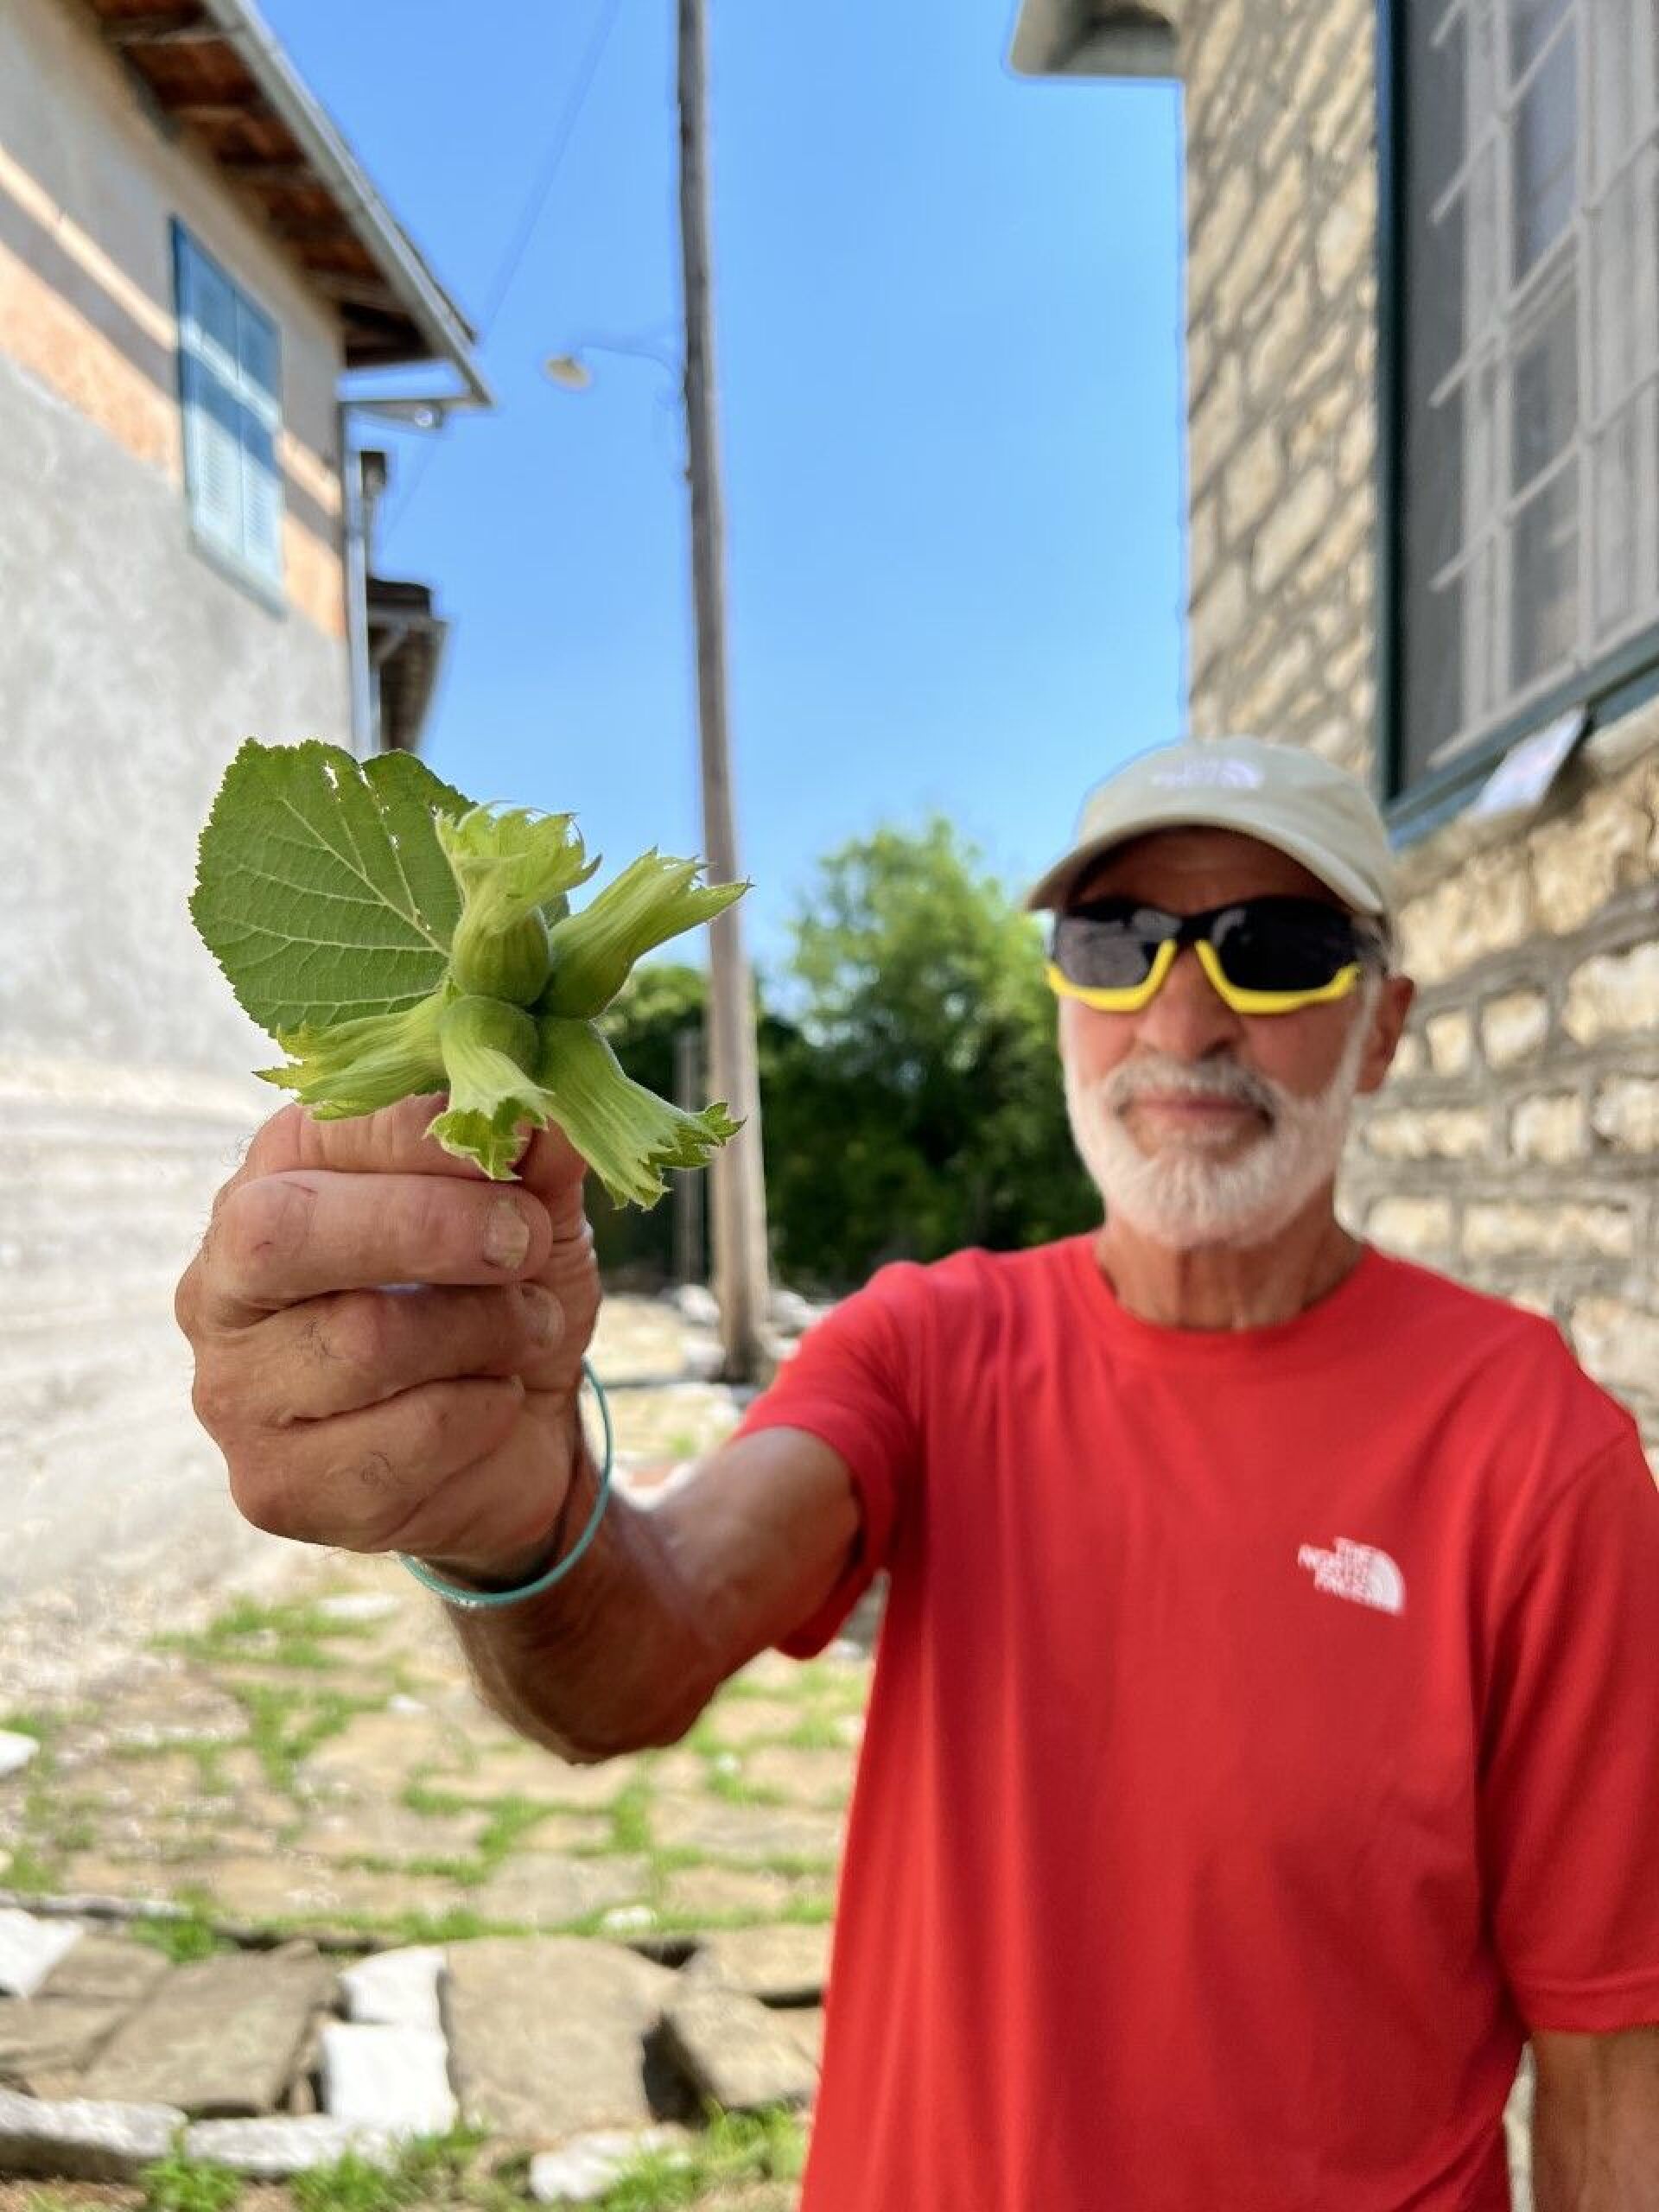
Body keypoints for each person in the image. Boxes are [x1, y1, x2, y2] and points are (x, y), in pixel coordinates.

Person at [176, 736, 1659, 2212]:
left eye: (1275, 951)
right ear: (1064, 997)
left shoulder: (1537, 1452)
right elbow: (644, 1648)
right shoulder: (927, 1348)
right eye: (1116, 943)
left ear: (1383, 1028)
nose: (1184, 1014)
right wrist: (516, 1530)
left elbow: (1614, 2052)